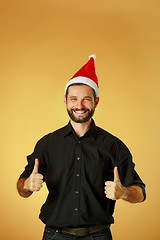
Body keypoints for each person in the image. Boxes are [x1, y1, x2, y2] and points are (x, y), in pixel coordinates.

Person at [17, 55, 146, 240]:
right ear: (65, 101)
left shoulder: (114, 146)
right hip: (55, 235)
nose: (79, 105)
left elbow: (140, 194)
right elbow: (22, 188)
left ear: (96, 102)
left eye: (86, 99)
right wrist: (27, 185)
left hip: (98, 235)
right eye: (74, 99)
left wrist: (124, 192)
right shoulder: (47, 144)